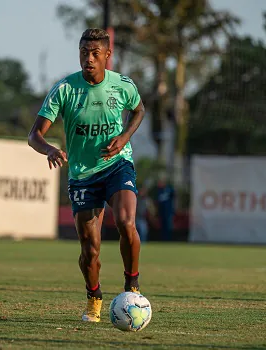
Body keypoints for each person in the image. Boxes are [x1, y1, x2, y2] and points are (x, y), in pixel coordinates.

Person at [28, 28, 146, 322]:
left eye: (95, 54)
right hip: (82, 176)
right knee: (90, 250)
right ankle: (94, 297)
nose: (89, 59)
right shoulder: (65, 89)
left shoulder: (123, 85)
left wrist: (124, 137)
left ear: (108, 55)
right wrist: (50, 149)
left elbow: (139, 110)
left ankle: (132, 285)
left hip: (117, 164)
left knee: (126, 221)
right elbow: (34, 136)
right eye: (84, 53)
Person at [156, 175, 175, 241]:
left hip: (168, 212)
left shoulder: (169, 189)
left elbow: (174, 195)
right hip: (162, 212)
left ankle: (168, 239)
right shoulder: (159, 191)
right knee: (163, 227)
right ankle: (163, 239)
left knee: (168, 226)